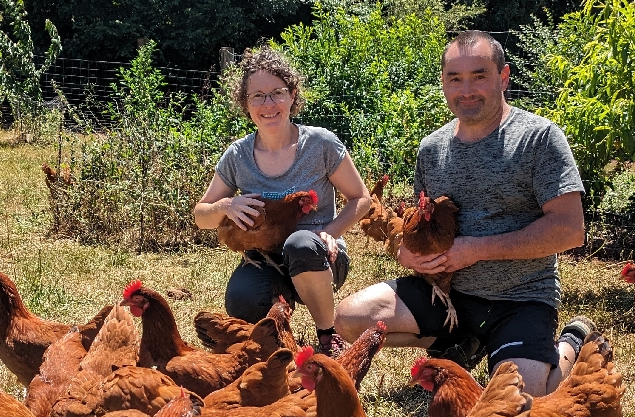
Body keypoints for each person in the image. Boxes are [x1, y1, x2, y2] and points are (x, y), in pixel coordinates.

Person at [334, 30, 592, 396]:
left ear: (503, 78)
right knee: (349, 318)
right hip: (447, 293)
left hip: (520, 297)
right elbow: (418, 226)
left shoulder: (540, 139)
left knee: (524, 399)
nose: (466, 89)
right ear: (443, 82)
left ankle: (570, 344)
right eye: (455, 78)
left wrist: (477, 248)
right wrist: (405, 252)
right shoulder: (432, 148)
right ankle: (461, 342)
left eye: (479, 76)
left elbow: (570, 230)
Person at [194, 47, 371, 357]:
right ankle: (278, 333)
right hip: (266, 259)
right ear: (246, 104)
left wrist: (332, 230)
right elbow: (200, 214)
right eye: (257, 96)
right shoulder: (238, 156)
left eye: (276, 93)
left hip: (321, 257)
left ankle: (327, 331)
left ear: (292, 95)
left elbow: (362, 199)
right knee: (242, 296)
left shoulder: (320, 144)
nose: (268, 104)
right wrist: (225, 207)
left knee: (302, 243)